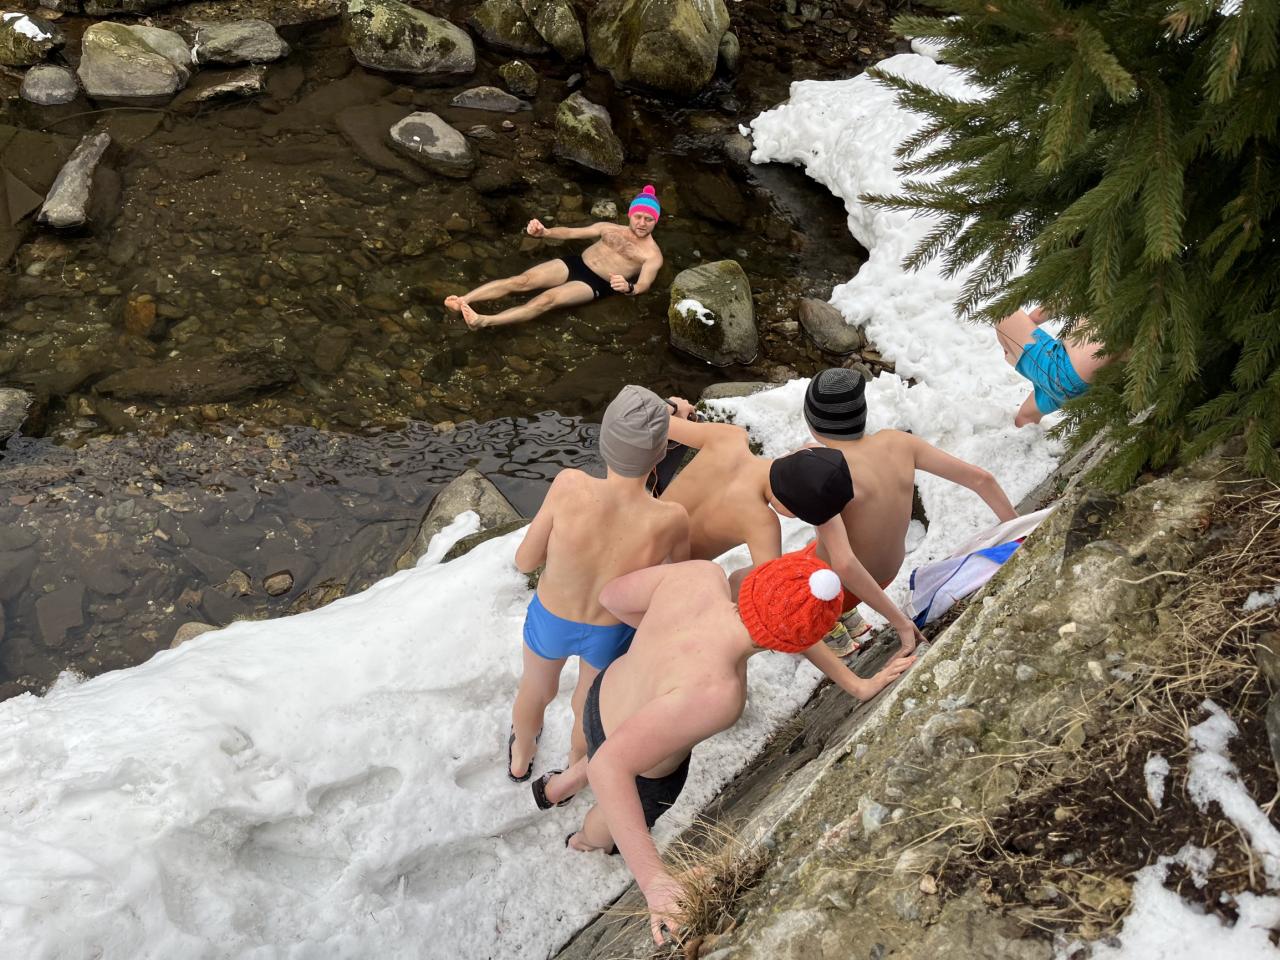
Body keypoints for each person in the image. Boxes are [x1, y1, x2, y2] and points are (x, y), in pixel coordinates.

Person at [532, 551, 895, 945]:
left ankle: (558, 786)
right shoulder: (719, 694)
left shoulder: (699, 576)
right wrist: (655, 882)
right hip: (640, 770)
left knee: (618, 743)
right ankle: (585, 843)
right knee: (609, 801)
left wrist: (658, 640)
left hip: (604, 699)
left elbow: (611, 597)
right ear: (787, 645)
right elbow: (610, 768)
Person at [657, 399, 917, 701]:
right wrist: (858, 685)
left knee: (750, 574)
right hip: (667, 590)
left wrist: (672, 409)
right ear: (790, 510)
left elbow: (650, 421)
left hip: (630, 541)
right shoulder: (761, 523)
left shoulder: (729, 437)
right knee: (744, 584)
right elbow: (781, 611)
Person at [507, 385, 689, 782]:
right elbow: (676, 577)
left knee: (535, 690)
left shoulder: (569, 485)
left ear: (604, 441)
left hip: (552, 618)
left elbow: (524, 561)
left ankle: (521, 757)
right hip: (610, 629)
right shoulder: (671, 518)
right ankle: (575, 765)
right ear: (662, 452)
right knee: (587, 704)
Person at [802, 367, 1020, 635]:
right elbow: (981, 479)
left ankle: (830, 626)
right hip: (887, 572)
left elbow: (844, 563)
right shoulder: (897, 442)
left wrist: (901, 624)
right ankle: (848, 618)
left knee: (767, 581)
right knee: (819, 544)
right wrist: (1019, 531)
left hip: (839, 588)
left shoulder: (822, 469)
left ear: (812, 423)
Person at [445, 185, 665, 330]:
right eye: (638, 217)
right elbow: (570, 232)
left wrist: (628, 287)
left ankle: (484, 321)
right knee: (520, 281)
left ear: (655, 221)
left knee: (545, 300)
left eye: (649, 219)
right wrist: (546, 232)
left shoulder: (652, 255)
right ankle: (463, 300)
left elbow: (644, 284)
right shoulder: (608, 228)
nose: (642, 223)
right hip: (576, 263)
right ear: (630, 215)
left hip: (597, 283)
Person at [995, 306, 1110, 426]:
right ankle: (1021, 358)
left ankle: (1016, 357)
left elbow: (1043, 312)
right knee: (1026, 416)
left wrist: (1015, 341)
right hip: (1087, 387)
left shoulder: (1105, 296)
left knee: (1003, 311)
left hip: (1061, 370)